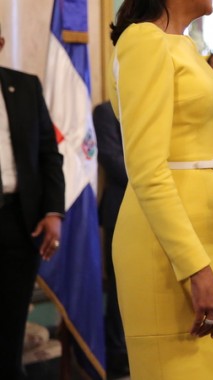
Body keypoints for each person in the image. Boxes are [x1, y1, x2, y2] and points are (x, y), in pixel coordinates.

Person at [107, 0, 213, 380]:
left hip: (203, 238)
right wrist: (195, 269)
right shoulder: (144, 42)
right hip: (167, 251)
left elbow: (201, 152)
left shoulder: (183, 45)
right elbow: (147, 169)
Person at [0, 25, 65, 380]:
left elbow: (48, 155)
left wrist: (54, 211)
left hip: (18, 222)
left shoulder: (24, 87)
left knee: (11, 330)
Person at [92, 100, 129, 377]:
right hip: (121, 210)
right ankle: (118, 356)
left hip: (159, 209)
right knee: (121, 287)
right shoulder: (105, 112)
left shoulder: (150, 103)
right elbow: (112, 158)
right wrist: (156, 176)